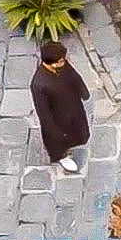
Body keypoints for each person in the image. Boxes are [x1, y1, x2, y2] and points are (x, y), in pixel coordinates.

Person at [29, 40, 92, 175]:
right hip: (57, 119)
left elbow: (74, 77)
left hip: (73, 108)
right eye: (60, 61)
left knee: (78, 132)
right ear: (50, 63)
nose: (63, 63)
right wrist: (54, 131)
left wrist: (83, 92)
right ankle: (61, 156)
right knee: (59, 141)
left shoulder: (63, 66)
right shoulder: (39, 84)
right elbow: (44, 114)